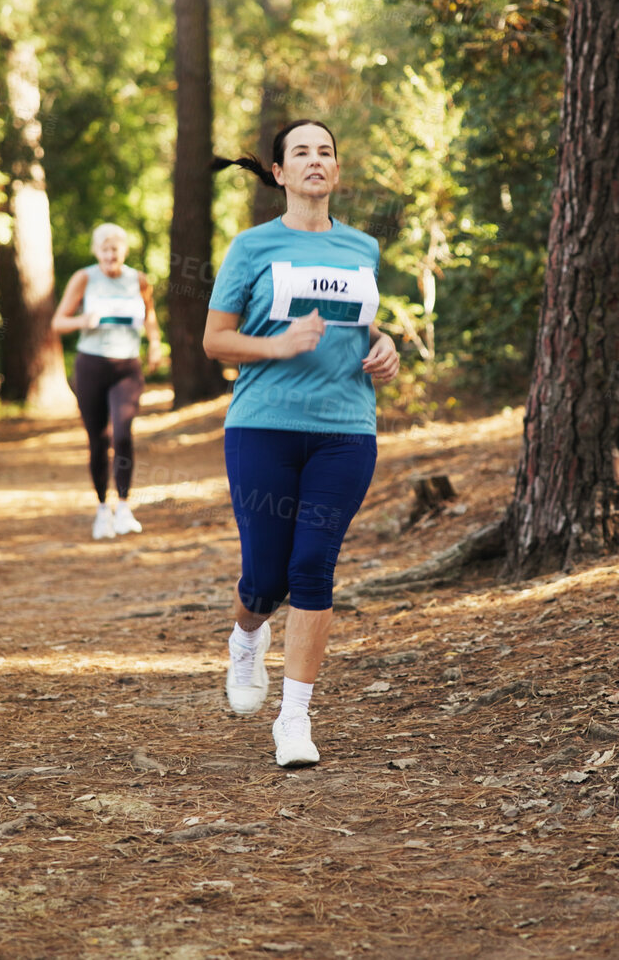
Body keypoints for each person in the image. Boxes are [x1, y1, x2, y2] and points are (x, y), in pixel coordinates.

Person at [204, 120, 401, 767]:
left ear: (335, 172)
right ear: (279, 173)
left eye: (325, 152)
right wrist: (274, 345)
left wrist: (385, 346)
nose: (315, 161)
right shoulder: (251, 247)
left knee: (312, 566)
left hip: (345, 429)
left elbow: (361, 327)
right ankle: (244, 637)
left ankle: (294, 720)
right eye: (300, 153)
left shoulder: (362, 247)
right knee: (263, 576)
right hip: (262, 424)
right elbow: (216, 340)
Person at [52, 224, 165, 539]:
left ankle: (125, 507)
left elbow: (150, 316)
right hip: (90, 365)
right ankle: (103, 509)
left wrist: (154, 343)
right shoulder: (84, 278)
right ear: (96, 252)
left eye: (115, 249)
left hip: (126, 367)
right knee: (98, 439)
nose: (110, 255)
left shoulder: (138, 280)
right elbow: (58, 322)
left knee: (123, 434)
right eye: (104, 249)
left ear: (124, 251)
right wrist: (81, 321)